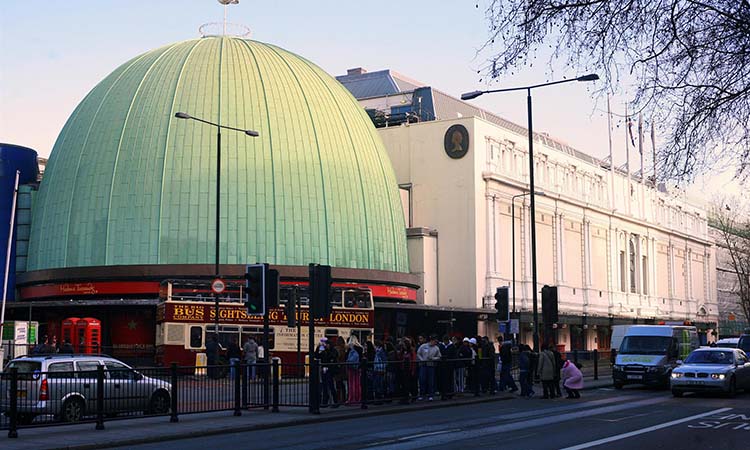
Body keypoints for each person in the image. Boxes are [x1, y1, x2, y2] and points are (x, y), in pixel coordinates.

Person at [417, 335, 442, 401]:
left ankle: (431, 395)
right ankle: (422, 395)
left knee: (431, 381)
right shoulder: (423, 346)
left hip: (431, 365)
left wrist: (433, 358)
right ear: (431, 340)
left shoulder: (436, 348)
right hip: (423, 365)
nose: (436, 342)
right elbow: (418, 353)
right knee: (422, 380)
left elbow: (439, 357)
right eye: (435, 341)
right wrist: (421, 359)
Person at [346, 336, 363, 404]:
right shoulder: (360, 348)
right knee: (358, 383)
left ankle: (351, 399)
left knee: (351, 384)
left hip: (351, 368)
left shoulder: (351, 349)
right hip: (358, 368)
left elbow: (347, 359)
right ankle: (358, 398)